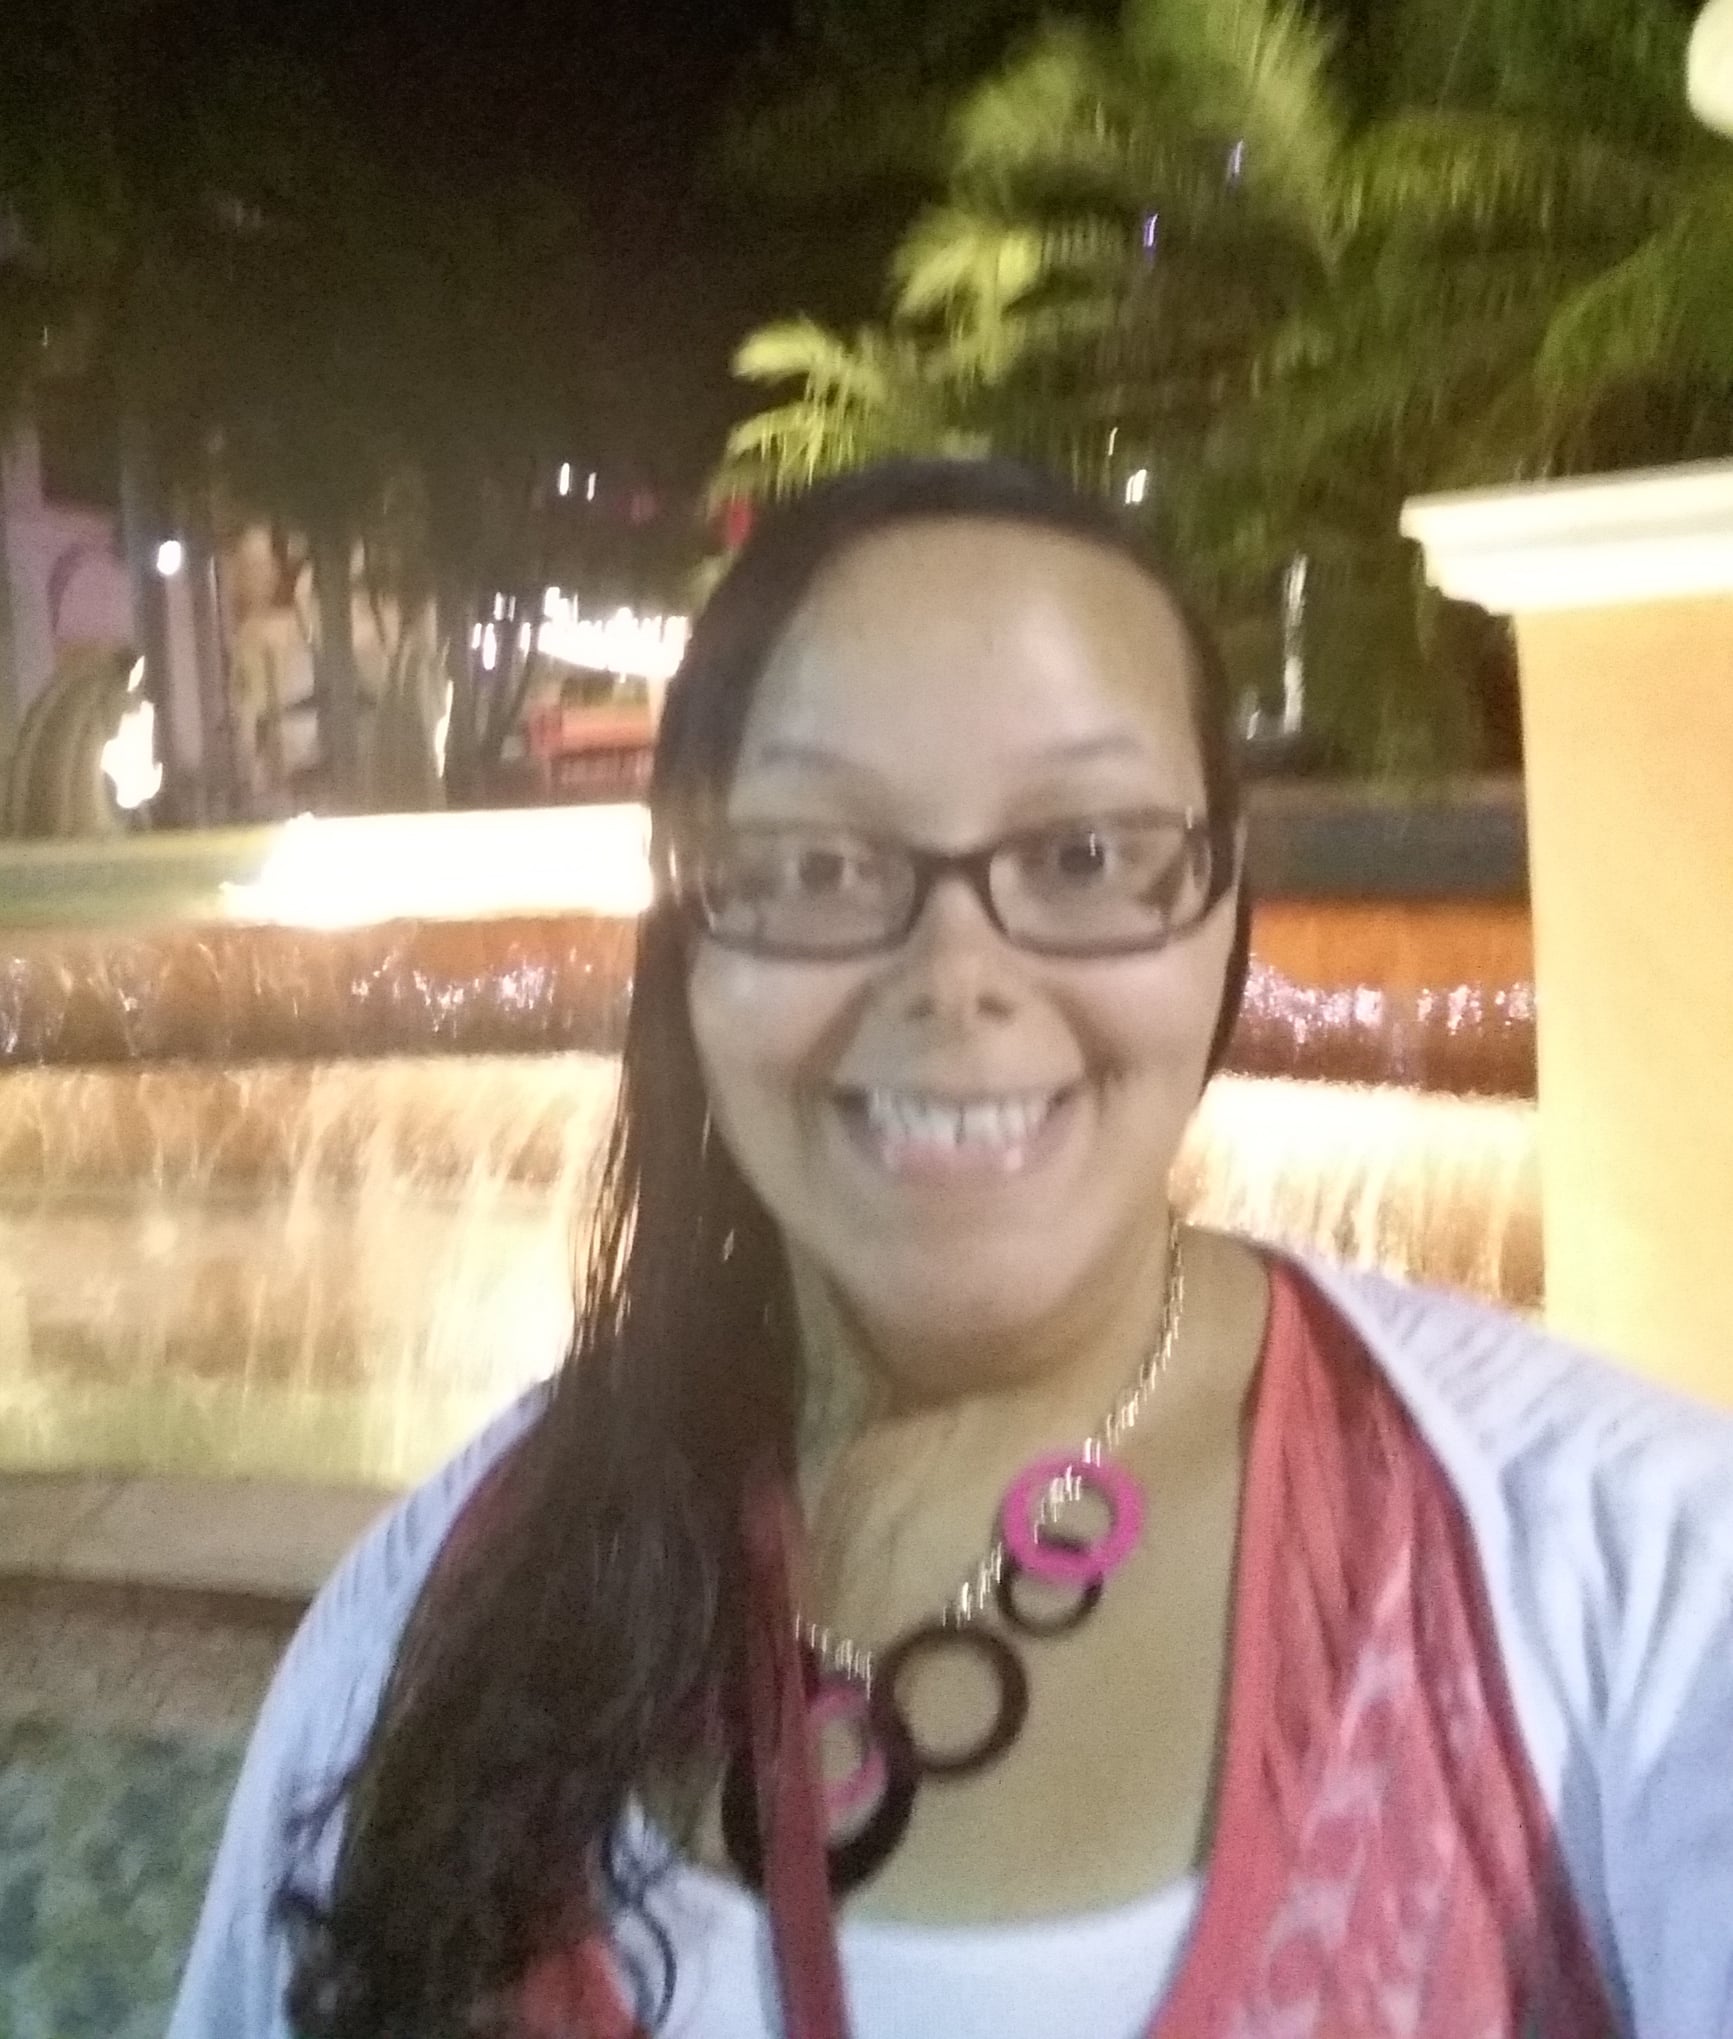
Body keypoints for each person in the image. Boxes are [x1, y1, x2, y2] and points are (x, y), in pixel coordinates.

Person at [169, 459, 1733, 2039]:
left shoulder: (1639, 1590)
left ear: (1224, 909)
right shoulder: (435, 1610)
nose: (955, 976)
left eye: (1084, 854)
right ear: (686, 938)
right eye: (818, 865)